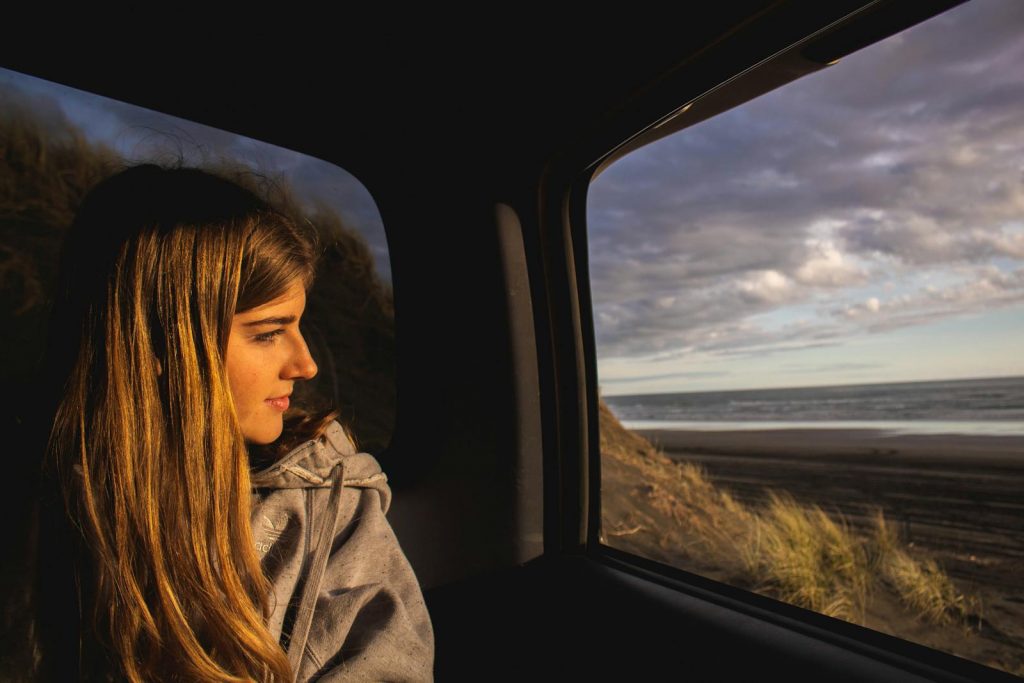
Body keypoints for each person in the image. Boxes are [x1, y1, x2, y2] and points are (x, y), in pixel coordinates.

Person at [31, 164, 434, 681]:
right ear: (158, 343)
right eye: (268, 334)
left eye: (298, 326)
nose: (305, 365)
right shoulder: (43, 511)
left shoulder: (327, 505)